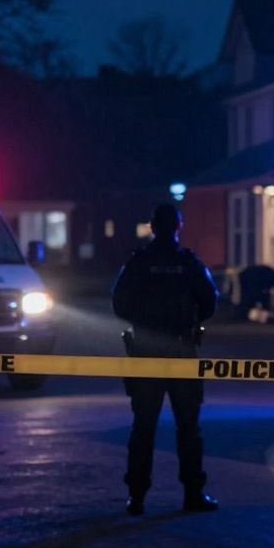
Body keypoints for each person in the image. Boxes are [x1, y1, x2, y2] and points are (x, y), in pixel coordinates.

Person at [111, 204, 219, 515]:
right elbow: (210, 301)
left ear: (152, 227)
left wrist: (146, 321)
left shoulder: (139, 263)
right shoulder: (188, 263)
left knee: (143, 426)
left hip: (145, 352)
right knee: (188, 427)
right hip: (183, 350)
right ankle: (193, 494)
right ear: (178, 226)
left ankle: (137, 497)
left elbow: (119, 303)